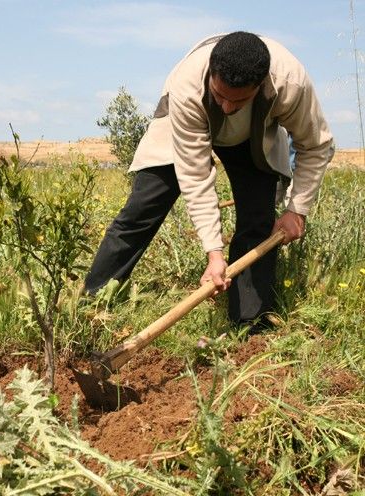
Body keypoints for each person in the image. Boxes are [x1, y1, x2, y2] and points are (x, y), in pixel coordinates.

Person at [85, 32, 334, 328]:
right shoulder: (187, 85)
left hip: (253, 135)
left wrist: (297, 209)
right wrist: (214, 253)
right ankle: (93, 303)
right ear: (211, 75)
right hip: (187, 125)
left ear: (260, 86)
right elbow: (195, 174)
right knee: (143, 208)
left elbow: (315, 145)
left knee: (257, 218)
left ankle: (249, 326)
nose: (227, 108)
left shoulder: (290, 83)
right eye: (220, 96)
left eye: (238, 100)